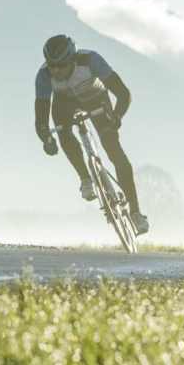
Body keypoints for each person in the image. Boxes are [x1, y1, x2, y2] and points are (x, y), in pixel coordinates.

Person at [34, 34, 150, 235]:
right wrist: (46, 138)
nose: (56, 71)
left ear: (71, 59)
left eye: (61, 65)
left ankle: (135, 213)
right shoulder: (43, 75)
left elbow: (123, 93)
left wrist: (117, 116)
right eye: (52, 66)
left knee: (114, 150)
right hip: (64, 106)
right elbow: (41, 117)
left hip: (97, 100)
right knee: (63, 133)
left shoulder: (90, 60)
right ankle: (86, 179)